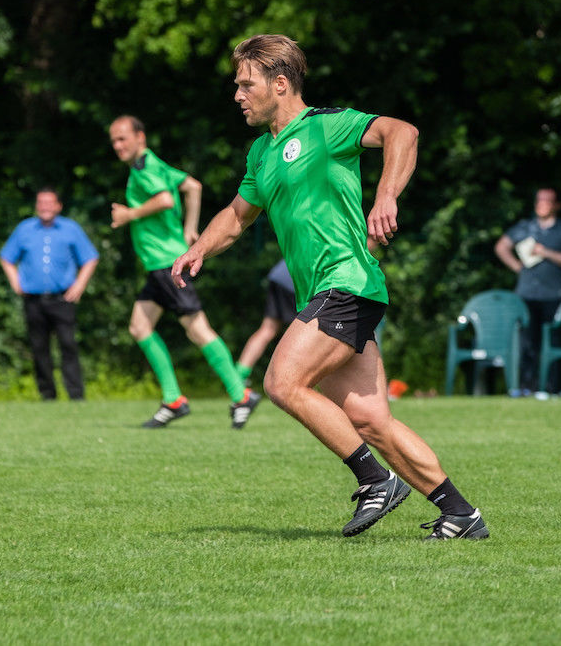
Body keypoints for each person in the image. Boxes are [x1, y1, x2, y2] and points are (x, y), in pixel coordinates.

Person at [171, 34, 487, 540]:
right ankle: (461, 515)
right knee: (369, 419)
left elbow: (402, 131)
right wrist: (199, 249)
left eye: (246, 84)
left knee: (281, 383)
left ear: (280, 84)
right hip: (325, 294)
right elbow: (237, 215)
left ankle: (375, 480)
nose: (237, 95)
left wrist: (386, 197)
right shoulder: (261, 154)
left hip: (347, 283)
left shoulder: (326, 126)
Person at [108, 114, 261, 429]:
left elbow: (165, 199)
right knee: (139, 327)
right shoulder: (156, 163)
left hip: (166, 264)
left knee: (197, 330)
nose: (117, 145)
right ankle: (174, 400)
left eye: (123, 138)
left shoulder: (143, 168)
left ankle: (239, 393)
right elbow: (192, 186)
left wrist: (129, 214)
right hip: (159, 266)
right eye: (114, 140)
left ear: (140, 137)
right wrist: (190, 230)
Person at [0, 188, 99, 401]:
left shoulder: (71, 229)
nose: (45, 207)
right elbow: (6, 257)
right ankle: (47, 395)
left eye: (49, 202)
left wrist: (79, 285)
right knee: (39, 348)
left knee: (68, 345)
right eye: (41, 203)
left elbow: (90, 257)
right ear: (36, 206)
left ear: (58, 206)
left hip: (62, 299)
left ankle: (76, 395)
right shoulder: (24, 229)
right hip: (33, 300)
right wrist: (15, 282)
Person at [495, 188, 561, 395]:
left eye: (547, 201)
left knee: (553, 343)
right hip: (526, 295)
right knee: (527, 344)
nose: (542, 204)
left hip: (554, 295)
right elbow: (501, 247)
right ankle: (527, 386)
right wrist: (517, 267)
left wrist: (546, 253)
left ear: (556, 205)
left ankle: (552, 386)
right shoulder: (525, 227)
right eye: (539, 200)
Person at [235, 259, 296, 383]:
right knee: (302, 332)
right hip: (296, 280)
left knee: (268, 329)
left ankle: (238, 378)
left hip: (280, 274)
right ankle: (289, 381)